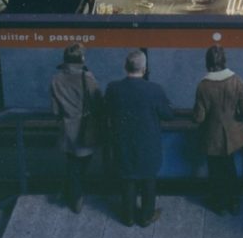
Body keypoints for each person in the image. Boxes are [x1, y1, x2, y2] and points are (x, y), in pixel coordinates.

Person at [104, 49, 174, 227]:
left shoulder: (113, 88)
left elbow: (106, 110)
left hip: (123, 142)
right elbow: (168, 114)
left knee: (127, 178)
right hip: (148, 143)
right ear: (145, 69)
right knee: (148, 179)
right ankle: (146, 216)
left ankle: (127, 217)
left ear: (125, 66)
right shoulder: (155, 89)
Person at [193, 44, 243, 215]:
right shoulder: (237, 81)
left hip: (211, 137)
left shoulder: (203, 85)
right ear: (224, 61)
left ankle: (219, 205)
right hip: (233, 136)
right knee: (230, 168)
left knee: (215, 170)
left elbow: (199, 117)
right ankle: (234, 203)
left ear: (207, 62)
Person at [49, 43, 103, 213]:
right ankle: (76, 197)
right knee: (81, 163)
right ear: (82, 59)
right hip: (86, 128)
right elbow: (98, 102)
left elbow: (55, 110)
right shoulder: (87, 78)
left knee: (72, 162)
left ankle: (71, 192)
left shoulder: (55, 79)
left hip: (67, 128)